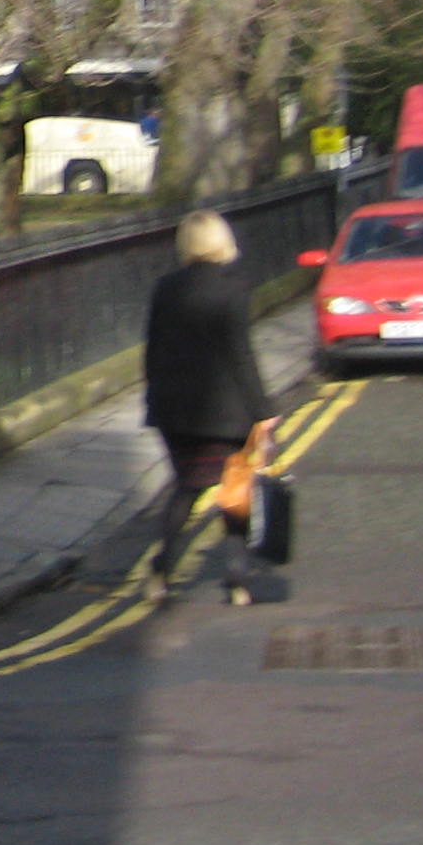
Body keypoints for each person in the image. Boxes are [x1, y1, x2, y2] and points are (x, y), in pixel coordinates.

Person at [141, 208, 270, 603]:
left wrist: (156, 397)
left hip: (174, 412)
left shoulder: (165, 287)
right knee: (235, 489)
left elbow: (153, 351)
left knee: (186, 488)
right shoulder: (235, 287)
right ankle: (237, 579)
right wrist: (264, 410)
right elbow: (240, 355)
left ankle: (160, 571)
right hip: (226, 412)